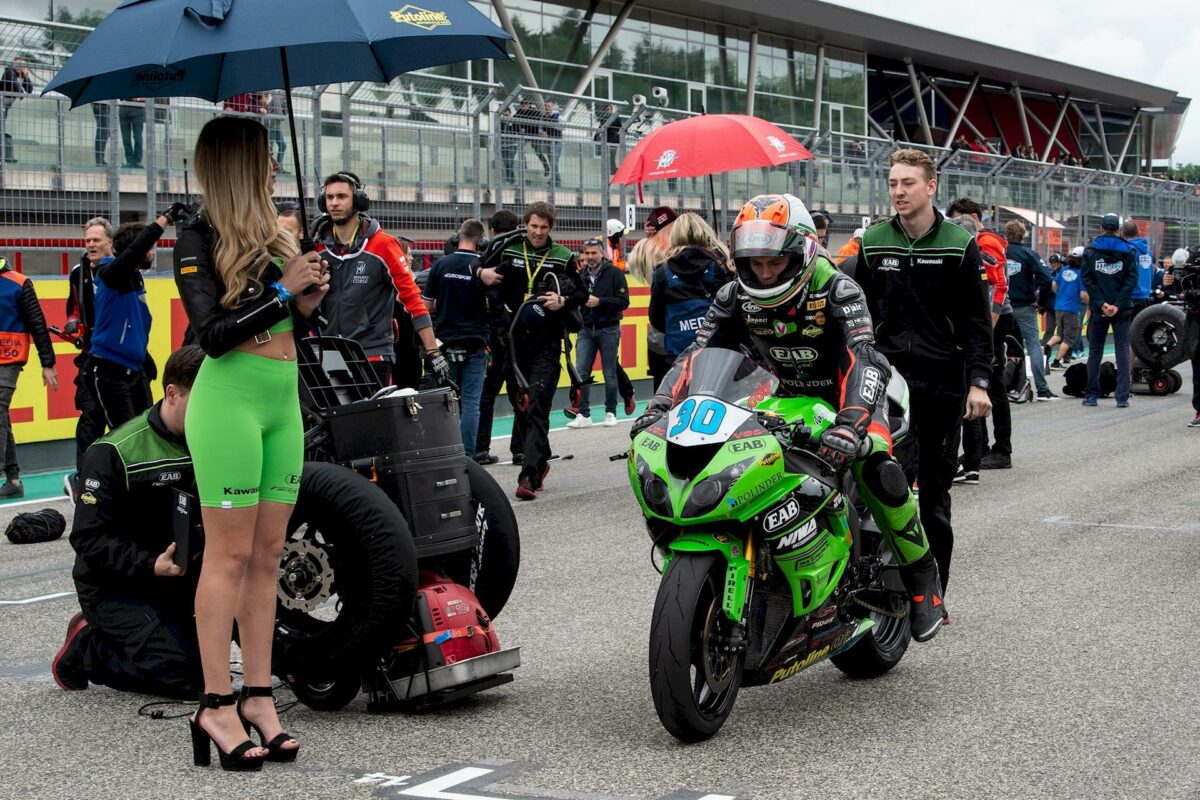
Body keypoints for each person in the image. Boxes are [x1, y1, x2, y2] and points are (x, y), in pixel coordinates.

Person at [632, 193, 947, 641]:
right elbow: (697, 354)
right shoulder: (732, 294)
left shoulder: (837, 287)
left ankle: (922, 577)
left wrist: (851, 422)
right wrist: (660, 406)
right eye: (754, 262)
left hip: (852, 393)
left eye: (775, 262)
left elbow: (863, 355)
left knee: (875, 463)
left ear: (799, 251)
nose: (764, 273)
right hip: (779, 395)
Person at [173, 115, 330, 770]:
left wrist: (310, 297)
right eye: (266, 156)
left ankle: (260, 697)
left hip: (280, 399)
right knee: (229, 556)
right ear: (237, 164)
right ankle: (215, 702)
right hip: (228, 399)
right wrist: (280, 293)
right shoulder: (197, 233)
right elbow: (210, 334)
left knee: (269, 555)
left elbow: (299, 322)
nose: (275, 165)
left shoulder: (279, 232)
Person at [858, 149, 993, 595]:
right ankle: (877, 586)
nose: (898, 191)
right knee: (881, 483)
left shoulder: (959, 243)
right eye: (893, 183)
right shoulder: (873, 240)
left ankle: (934, 591)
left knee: (934, 494)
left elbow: (976, 322)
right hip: (886, 381)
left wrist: (979, 382)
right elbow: (854, 307)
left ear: (931, 186)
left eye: (908, 183)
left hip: (942, 383)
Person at [52, 346, 205, 698]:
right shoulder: (114, 452)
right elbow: (88, 540)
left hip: (185, 575)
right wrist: (151, 565)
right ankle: (87, 645)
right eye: (202, 402)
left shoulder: (213, 440)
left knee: (214, 673)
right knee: (186, 680)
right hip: (116, 585)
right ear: (172, 393)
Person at [482, 201, 586, 499]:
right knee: (522, 407)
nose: (538, 232)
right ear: (525, 225)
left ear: (551, 228)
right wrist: (480, 273)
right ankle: (540, 459)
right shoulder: (509, 249)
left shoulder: (563, 257)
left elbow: (581, 292)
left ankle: (528, 475)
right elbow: (480, 272)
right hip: (512, 342)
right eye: (533, 226)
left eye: (543, 227)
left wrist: (563, 301)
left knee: (538, 403)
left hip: (547, 342)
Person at [312, 172, 448, 388]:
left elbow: (412, 299)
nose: (334, 203)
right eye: (329, 197)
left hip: (372, 355)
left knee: (371, 422)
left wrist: (433, 352)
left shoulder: (383, 244)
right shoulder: (317, 247)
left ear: (358, 199)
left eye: (341, 196)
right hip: (327, 354)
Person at [90, 210, 184, 431]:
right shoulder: (110, 273)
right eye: (149, 247)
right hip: (110, 369)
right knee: (126, 437)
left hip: (134, 367)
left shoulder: (134, 276)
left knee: (147, 430)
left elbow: (135, 324)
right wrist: (165, 220)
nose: (152, 252)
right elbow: (135, 250)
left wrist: (144, 356)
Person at [946, 198, 1011, 475]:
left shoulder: (985, 241)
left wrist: (989, 325)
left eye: (958, 218)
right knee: (977, 382)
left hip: (993, 320)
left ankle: (1001, 449)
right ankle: (980, 448)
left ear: (972, 217)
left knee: (992, 385)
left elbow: (999, 286)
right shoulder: (977, 240)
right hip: (984, 320)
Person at [422, 219, 495, 453]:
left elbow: (427, 306)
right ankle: (469, 457)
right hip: (476, 343)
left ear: (457, 237)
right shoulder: (483, 268)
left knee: (445, 404)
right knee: (471, 404)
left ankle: (445, 454)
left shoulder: (441, 264)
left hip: (445, 343)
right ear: (481, 241)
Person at [0, 255, 57, 499]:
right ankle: (13, 479)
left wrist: (48, 363)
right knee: (2, 416)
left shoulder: (19, 282)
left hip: (8, 359)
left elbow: (37, 324)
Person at [647, 211, 730, 374]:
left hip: (678, 354)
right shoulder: (721, 265)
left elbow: (656, 318)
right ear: (704, 231)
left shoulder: (662, 271)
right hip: (716, 353)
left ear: (675, 235)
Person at [66, 219, 114, 471]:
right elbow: (73, 307)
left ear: (110, 242)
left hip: (119, 362)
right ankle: (83, 479)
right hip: (89, 359)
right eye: (88, 241)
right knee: (88, 419)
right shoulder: (78, 272)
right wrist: (72, 322)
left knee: (125, 424)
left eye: (96, 240)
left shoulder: (122, 270)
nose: (91, 245)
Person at [568, 238, 629, 428]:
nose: (590, 257)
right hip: (585, 329)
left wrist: (600, 302)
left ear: (602, 253)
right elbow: (573, 298)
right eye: (587, 253)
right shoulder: (579, 274)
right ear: (583, 255)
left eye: (594, 253)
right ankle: (584, 415)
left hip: (609, 328)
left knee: (609, 373)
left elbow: (623, 302)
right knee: (581, 372)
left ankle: (610, 412)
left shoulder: (615, 273)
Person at [474, 209, 519, 465]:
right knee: (519, 392)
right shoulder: (522, 255)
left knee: (487, 395)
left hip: (491, 334)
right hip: (516, 334)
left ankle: (480, 450)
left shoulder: (484, 256)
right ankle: (520, 450)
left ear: (492, 230)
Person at [1080, 213, 1137, 408]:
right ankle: (1122, 396)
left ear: (1102, 228)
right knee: (1122, 350)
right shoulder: (1129, 250)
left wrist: (1101, 303)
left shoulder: (1091, 250)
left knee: (1095, 351)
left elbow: (1087, 279)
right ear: (1119, 230)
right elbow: (1131, 280)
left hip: (1098, 308)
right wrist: (1117, 304)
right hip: (1121, 308)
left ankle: (1091, 395)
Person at [1004, 220, 1057, 400]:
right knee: (1033, 345)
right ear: (1023, 235)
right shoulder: (1029, 254)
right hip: (1024, 306)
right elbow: (1046, 279)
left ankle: (1005, 385)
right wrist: (1039, 301)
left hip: (1001, 307)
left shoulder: (1000, 252)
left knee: (1003, 346)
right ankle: (1042, 389)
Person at [1047, 253, 1087, 370]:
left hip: (1059, 306)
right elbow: (1083, 294)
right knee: (1069, 337)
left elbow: (1054, 284)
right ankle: (1056, 361)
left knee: (1059, 333)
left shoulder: (1064, 270)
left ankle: (1047, 346)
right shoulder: (1081, 274)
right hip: (1072, 308)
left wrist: (1059, 294)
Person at [1, 58, 33, 163]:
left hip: (5, 106)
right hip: (1, 104)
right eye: (18, 64)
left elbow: (29, 90)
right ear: (14, 64)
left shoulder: (21, 75)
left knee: (2, 129)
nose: (20, 66)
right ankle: (4, 157)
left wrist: (26, 76)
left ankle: (5, 157)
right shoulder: (9, 71)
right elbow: (14, 86)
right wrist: (21, 93)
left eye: (23, 65)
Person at [1123, 219, 1154, 317]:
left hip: (1131, 297)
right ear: (1138, 232)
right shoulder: (1148, 251)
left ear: (1122, 233)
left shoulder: (1126, 249)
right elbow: (1151, 273)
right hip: (1145, 296)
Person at [118, 98, 146, 169]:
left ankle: (137, 161)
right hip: (124, 109)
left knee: (138, 137)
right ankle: (129, 161)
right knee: (126, 138)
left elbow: (147, 98)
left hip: (138, 109)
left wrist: (138, 99)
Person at [543, 101, 563, 187]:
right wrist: (544, 132)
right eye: (546, 106)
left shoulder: (557, 115)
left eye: (549, 106)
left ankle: (554, 180)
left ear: (553, 107)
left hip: (556, 142)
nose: (547, 108)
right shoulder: (545, 117)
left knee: (554, 162)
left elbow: (556, 124)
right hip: (548, 141)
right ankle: (557, 180)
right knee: (552, 162)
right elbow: (544, 128)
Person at [598, 103, 621, 174]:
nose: (607, 111)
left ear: (611, 109)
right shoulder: (603, 119)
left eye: (608, 109)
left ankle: (613, 169)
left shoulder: (616, 118)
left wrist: (617, 133)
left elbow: (621, 128)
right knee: (606, 155)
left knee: (612, 155)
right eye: (606, 110)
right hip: (606, 140)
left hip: (613, 140)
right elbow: (600, 127)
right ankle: (608, 169)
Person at [499, 108, 518, 184]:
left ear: (510, 114)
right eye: (503, 115)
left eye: (506, 115)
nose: (505, 117)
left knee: (509, 162)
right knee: (506, 163)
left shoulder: (514, 122)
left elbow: (515, 132)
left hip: (512, 145)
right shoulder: (500, 123)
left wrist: (509, 124)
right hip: (503, 145)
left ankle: (509, 180)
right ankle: (512, 179)